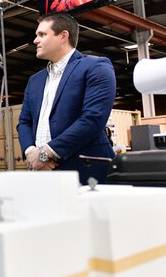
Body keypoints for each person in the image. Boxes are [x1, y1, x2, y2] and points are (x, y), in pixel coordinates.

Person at [17, 13, 116, 185]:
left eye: (42, 35)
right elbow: (24, 122)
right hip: (42, 172)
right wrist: (31, 152)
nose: (35, 40)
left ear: (63, 36)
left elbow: (93, 119)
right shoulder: (35, 80)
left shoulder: (96, 67)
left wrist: (45, 154)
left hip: (85, 171)